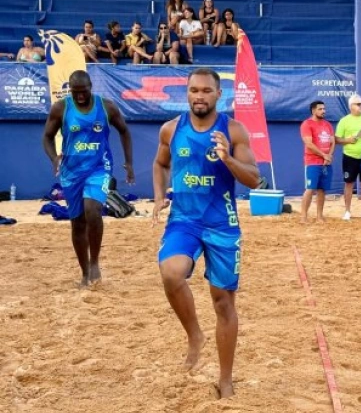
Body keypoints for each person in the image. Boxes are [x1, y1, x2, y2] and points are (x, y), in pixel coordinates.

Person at [152, 68, 261, 399]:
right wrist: (158, 196)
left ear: (218, 95)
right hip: (184, 219)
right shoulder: (171, 129)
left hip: (222, 224)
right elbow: (160, 164)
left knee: (223, 302)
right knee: (171, 273)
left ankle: (225, 379)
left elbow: (255, 179)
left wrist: (227, 158)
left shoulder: (234, 130)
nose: (199, 96)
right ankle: (195, 336)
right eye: (194, 90)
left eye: (206, 91)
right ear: (187, 93)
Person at [42, 70, 134, 287]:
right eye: (75, 92)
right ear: (70, 90)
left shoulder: (107, 107)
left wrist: (129, 162)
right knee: (77, 223)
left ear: (91, 87)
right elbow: (47, 137)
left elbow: (124, 131)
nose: (80, 96)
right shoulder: (61, 108)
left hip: (99, 167)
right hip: (71, 172)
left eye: (83, 91)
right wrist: (54, 158)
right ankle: (84, 273)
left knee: (92, 210)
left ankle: (94, 263)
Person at [300, 100, 335, 223]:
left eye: (324, 109)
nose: (323, 111)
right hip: (312, 162)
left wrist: (328, 156)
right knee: (310, 189)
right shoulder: (307, 124)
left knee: (322, 190)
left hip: (326, 163)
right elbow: (308, 143)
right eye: (320, 109)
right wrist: (324, 155)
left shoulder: (328, 125)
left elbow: (332, 142)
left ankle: (319, 216)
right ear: (313, 110)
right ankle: (303, 217)